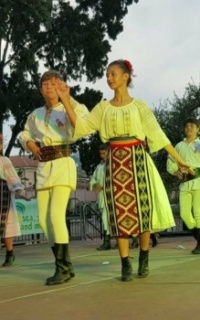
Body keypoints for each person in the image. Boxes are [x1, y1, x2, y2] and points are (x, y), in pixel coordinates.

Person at [53, 59, 193, 282]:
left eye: (113, 74)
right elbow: (82, 126)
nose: (109, 78)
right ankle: (125, 263)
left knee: (142, 211)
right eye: (107, 75)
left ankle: (144, 258)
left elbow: (158, 135)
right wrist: (66, 100)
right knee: (119, 214)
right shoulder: (103, 107)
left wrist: (179, 160)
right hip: (115, 161)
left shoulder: (139, 106)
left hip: (138, 159)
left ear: (125, 76)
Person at [19, 70, 88, 285]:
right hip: (43, 167)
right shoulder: (35, 114)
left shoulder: (72, 106)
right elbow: (25, 133)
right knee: (43, 219)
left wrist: (67, 99)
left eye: (53, 84)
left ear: (60, 86)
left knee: (57, 215)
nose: (49, 88)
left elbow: (82, 127)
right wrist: (29, 143)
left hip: (62, 163)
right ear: (40, 89)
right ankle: (66, 264)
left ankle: (62, 268)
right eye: (45, 85)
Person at [167, 118, 200, 254]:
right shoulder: (179, 146)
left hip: (199, 182)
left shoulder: (199, 144)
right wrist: (176, 171)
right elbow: (171, 162)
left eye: (192, 126)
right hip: (184, 184)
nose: (189, 128)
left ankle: (199, 244)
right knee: (184, 214)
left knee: (198, 214)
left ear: (198, 129)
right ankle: (199, 239)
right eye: (186, 126)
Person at [0, 135, 29, 266]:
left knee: (5, 227)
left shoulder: (4, 161)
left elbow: (13, 179)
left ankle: (10, 253)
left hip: (2, 196)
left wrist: (21, 192)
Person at [90, 143, 111, 250]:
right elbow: (93, 179)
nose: (102, 156)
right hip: (103, 197)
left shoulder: (114, 164)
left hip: (112, 196)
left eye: (104, 153)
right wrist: (95, 185)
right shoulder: (100, 166)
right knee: (105, 219)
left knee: (109, 219)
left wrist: (104, 186)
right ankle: (107, 242)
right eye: (101, 154)